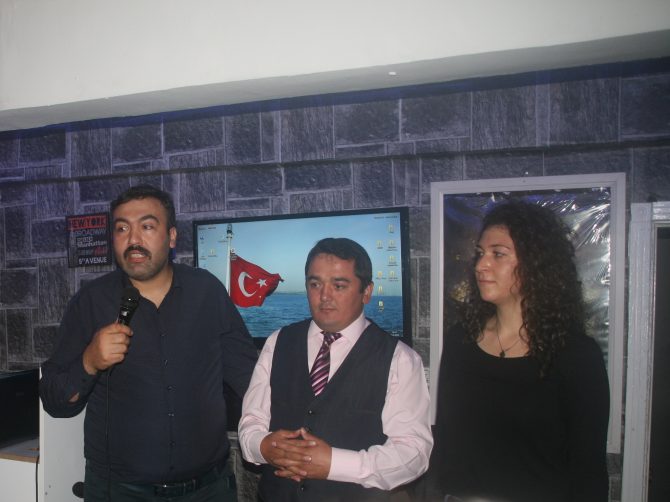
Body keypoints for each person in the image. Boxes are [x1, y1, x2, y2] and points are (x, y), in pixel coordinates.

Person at [40, 185, 258, 502]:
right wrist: (89, 361)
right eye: (122, 229)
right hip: (120, 492)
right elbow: (55, 401)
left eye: (147, 226)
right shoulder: (91, 302)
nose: (133, 240)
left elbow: (249, 375)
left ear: (171, 237)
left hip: (208, 490)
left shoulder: (206, 292)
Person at [424, 199, 610, 502]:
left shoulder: (575, 356)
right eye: (480, 253)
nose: (481, 265)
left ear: (536, 264)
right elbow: (444, 442)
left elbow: (588, 470)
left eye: (498, 254)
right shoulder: (461, 341)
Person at [238, 237, 433, 501]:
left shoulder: (400, 360)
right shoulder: (278, 342)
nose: (324, 296)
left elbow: (414, 453)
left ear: (367, 292)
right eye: (315, 284)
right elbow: (251, 422)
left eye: (339, 285)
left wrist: (335, 464)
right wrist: (262, 446)